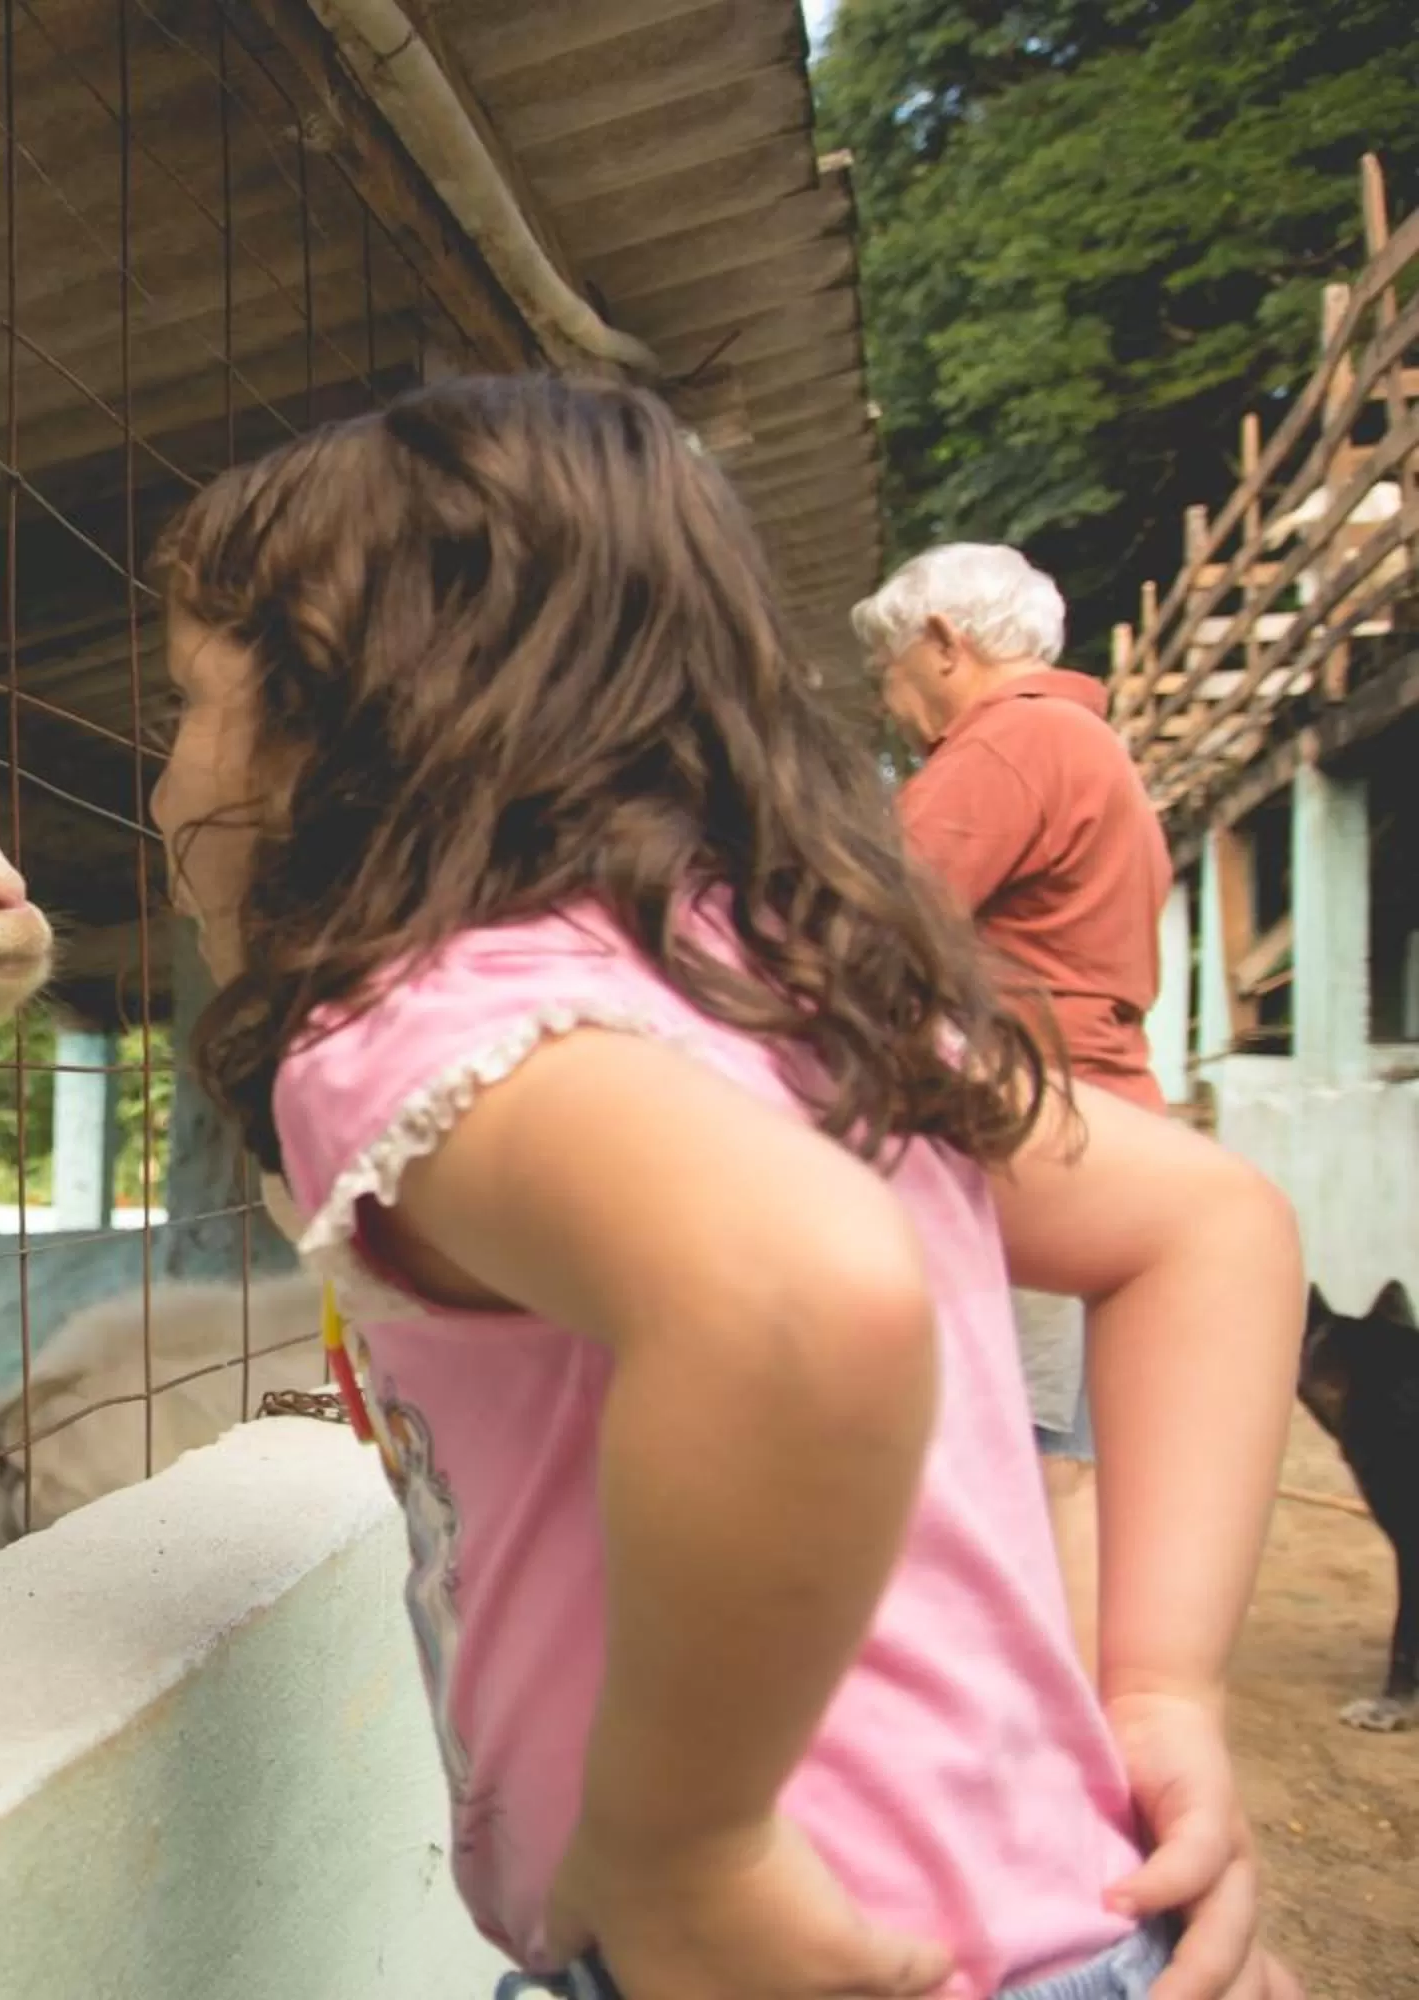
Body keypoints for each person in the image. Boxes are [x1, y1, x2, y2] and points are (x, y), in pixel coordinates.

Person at [148, 377, 1299, 2000]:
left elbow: (796, 1291)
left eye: (185, 707)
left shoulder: (408, 1035)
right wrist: (1166, 1691)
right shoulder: (794, 990)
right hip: (1089, 1921)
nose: (165, 777)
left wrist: (689, 1851)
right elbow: (1210, 1224)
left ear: (335, 722)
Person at [855, 543, 1178, 1680]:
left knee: (1029, 1458)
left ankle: (1041, 1740)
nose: (893, 704)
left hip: (1027, 1119)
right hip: (1098, 1116)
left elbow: (875, 924)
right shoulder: (1089, 744)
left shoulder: (1010, 740)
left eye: (892, 671)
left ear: (946, 642)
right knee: (1064, 1463)